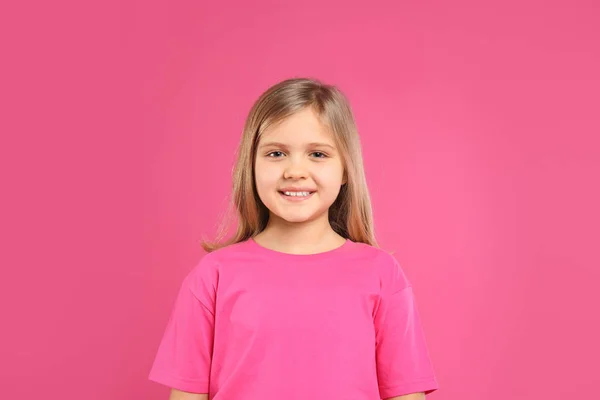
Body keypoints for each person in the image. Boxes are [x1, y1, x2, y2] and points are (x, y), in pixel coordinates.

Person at [148, 77, 439, 399]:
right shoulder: (213, 275)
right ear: (251, 166)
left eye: (317, 154)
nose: (294, 170)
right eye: (276, 154)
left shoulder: (382, 273)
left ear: (345, 170)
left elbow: (405, 394)